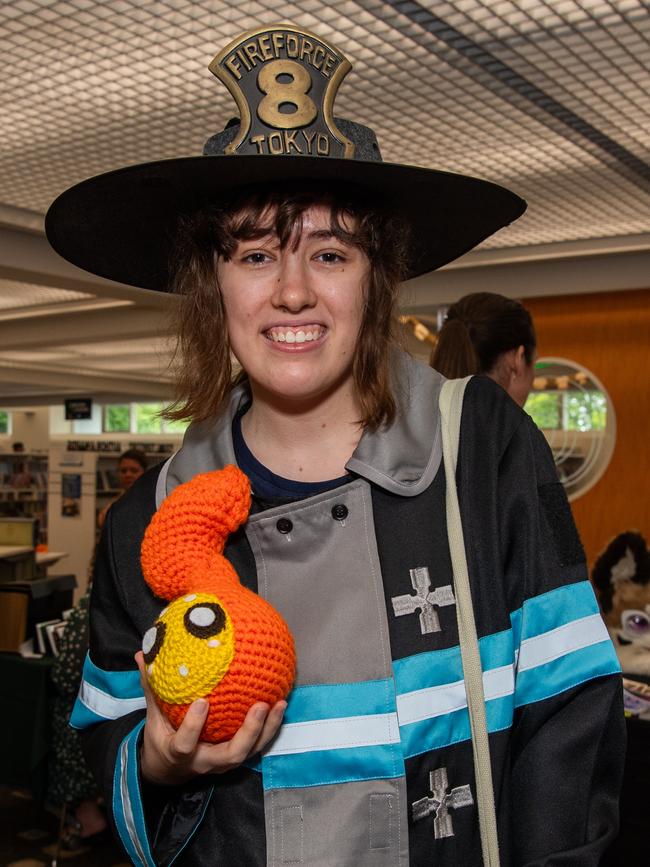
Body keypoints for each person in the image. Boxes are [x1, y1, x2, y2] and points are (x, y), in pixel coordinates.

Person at [45, 24, 624, 867]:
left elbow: (570, 721)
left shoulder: (480, 448)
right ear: (213, 284)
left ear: (376, 277)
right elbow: (107, 737)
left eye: (329, 250)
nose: (291, 290)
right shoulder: (154, 516)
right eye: (253, 253)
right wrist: (158, 762)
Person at [430, 292, 536, 407]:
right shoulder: (510, 424)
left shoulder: (424, 418)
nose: (533, 379)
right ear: (517, 360)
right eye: (534, 364)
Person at [96, 447, 147, 529]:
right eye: (123, 471)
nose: (128, 475)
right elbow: (101, 522)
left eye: (134, 471)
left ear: (144, 473)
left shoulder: (152, 499)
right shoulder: (117, 500)